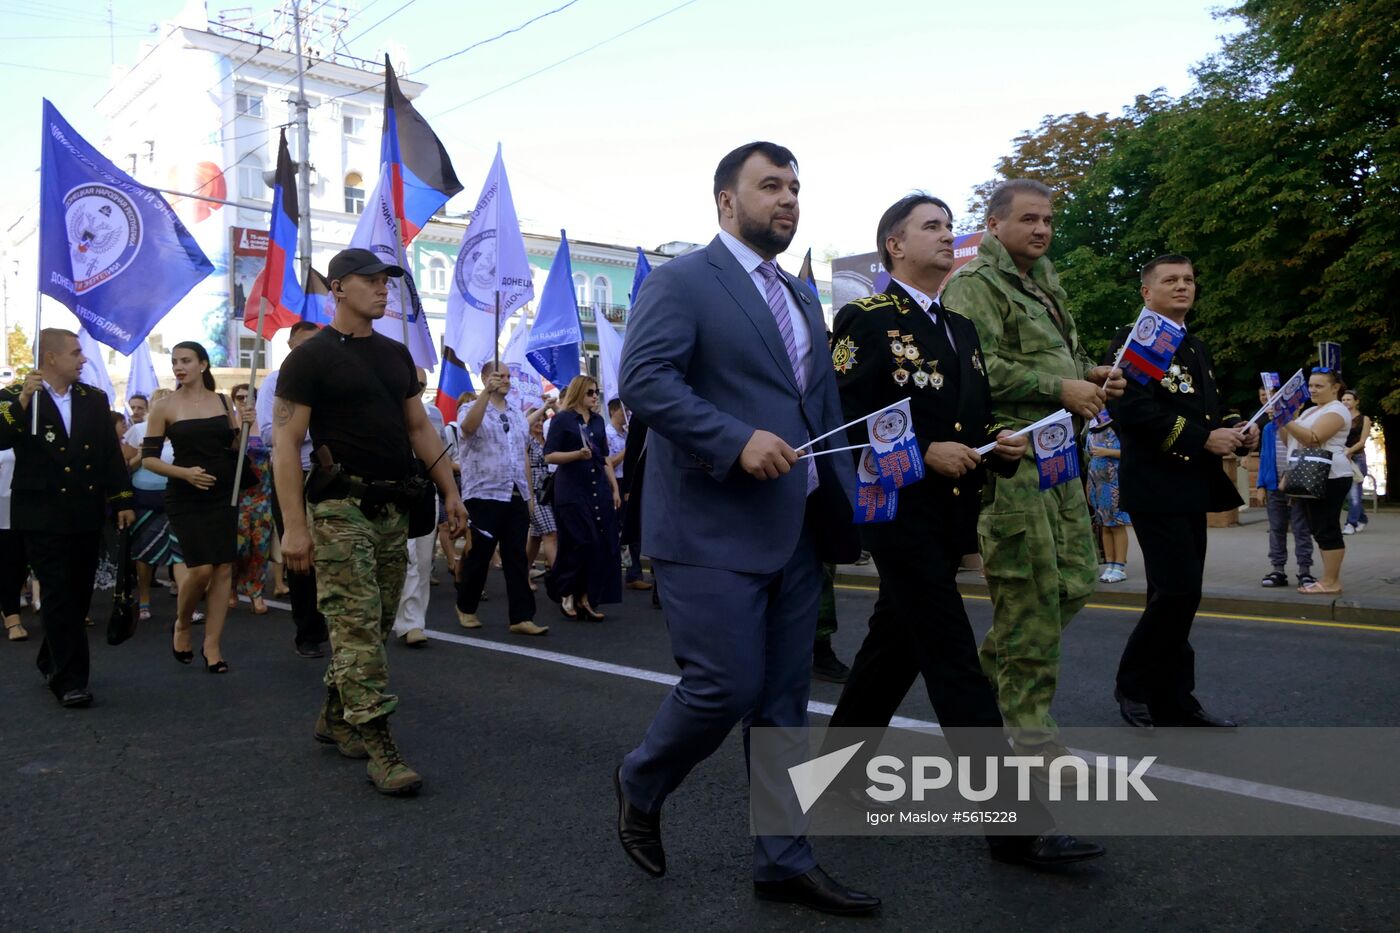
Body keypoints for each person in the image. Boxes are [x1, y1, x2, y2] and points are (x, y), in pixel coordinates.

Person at [617, 142, 877, 915]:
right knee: (723, 684)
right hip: (707, 524)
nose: (788, 199)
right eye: (771, 186)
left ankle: (783, 859)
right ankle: (641, 778)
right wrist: (734, 438)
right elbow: (644, 381)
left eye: (795, 187)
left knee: (784, 702)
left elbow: (819, 410)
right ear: (726, 201)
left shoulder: (801, 300)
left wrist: (851, 498)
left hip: (793, 527)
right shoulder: (683, 282)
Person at [827, 193, 1102, 866]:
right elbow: (850, 416)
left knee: (894, 648)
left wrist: (995, 440)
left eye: (951, 226)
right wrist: (922, 452)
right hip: (898, 509)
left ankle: (834, 774)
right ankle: (1016, 826)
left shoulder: (959, 328)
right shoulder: (864, 319)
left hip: (952, 511)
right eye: (932, 227)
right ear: (895, 245)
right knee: (952, 658)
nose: (949, 236)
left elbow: (967, 418)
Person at [272, 247, 467, 797]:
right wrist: (294, 526)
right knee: (357, 627)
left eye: (387, 282)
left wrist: (451, 491)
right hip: (339, 508)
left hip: (392, 508)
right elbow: (286, 444)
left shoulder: (395, 355)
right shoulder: (309, 358)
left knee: (372, 628)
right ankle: (380, 746)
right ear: (337, 288)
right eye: (371, 281)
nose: (383, 290)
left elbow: (419, 429)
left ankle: (335, 716)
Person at [941, 179, 1126, 757]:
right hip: (1012, 459)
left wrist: (1089, 374)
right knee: (1030, 596)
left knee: (1075, 580)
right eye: (1028, 219)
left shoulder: (1044, 282)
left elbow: (1058, 358)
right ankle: (1028, 735)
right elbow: (973, 368)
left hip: (1058, 455)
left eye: (1047, 219)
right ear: (994, 225)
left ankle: (985, 684)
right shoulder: (975, 284)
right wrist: (1059, 386)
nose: (1041, 229)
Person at [1107, 254, 1254, 729]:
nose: (1182, 286)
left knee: (1176, 595)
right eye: (1170, 280)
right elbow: (1132, 411)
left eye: (1189, 279)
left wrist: (1235, 428)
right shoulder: (1139, 344)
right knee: (1177, 591)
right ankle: (1132, 686)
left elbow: (1207, 410)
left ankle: (1175, 698)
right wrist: (1202, 438)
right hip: (1156, 484)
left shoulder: (1194, 345)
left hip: (1193, 484)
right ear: (1147, 293)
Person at [0, 328, 134, 707]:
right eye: (75, 353)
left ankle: (50, 657)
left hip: (85, 510)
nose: (83, 358)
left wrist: (122, 498)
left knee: (77, 595)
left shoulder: (93, 399)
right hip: (41, 512)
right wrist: (24, 399)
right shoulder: (15, 397)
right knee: (57, 593)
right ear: (51, 357)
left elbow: (110, 453)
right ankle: (71, 680)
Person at [142, 341, 252, 673]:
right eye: (175, 361)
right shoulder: (164, 406)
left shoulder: (221, 402)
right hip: (185, 494)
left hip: (222, 493)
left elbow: (235, 446)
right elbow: (148, 459)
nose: (179, 366)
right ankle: (183, 623)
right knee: (201, 568)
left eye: (186, 360)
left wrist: (245, 423)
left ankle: (213, 646)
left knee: (222, 570)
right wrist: (184, 473)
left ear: (203, 365)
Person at [453, 361, 546, 636]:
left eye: (508, 376)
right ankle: (466, 606)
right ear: (486, 378)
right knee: (480, 553)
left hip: (514, 491)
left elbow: (522, 454)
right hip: (484, 492)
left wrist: (528, 495)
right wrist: (485, 395)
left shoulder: (517, 414)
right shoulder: (470, 408)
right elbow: (468, 429)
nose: (506, 380)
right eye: (500, 376)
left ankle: (521, 616)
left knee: (516, 555)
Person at [257, 320, 328, 657]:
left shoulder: (332, 380)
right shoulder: (276, 382)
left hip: (331, 476)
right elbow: (272, 433)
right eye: (304, 344)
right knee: (301, 557)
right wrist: (311, 426)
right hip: (294, 475)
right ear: (290, 346)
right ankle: (308, 632)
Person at [543, 374, 621, 622]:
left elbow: (604, 457)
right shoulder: (563, 420)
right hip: (571, 490)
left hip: (597, 488)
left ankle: (585, 596)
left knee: (599, 545)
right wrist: (576, 454)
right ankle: (565, 589)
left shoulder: (598, 422)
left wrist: (614, 488)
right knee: (580, 541)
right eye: (590, 392)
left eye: (596, 391)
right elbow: (549, 456)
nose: (595, 396)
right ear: (579, 393)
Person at [1280, 370, 1352, 595]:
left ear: (1335, 388)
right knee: (1319, 528)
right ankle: (1327, 579)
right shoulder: (1312, 409)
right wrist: (1285, 422)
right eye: (1311, 385)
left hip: (1330, 475)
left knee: (1327, 528)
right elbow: (1291, 439)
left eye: (1319, 386)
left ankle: (1331, 582)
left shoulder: (1337, 410)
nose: (1312, 390)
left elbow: (1313, 439)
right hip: (1312, 474)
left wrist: (1286, 419)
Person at [123, 388, 189, 621]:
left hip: (176, 497)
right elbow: (125, 467)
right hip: (145, 498)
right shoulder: (138, 430)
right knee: (145, 552)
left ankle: (185, 606)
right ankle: (143, 600)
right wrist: (141, 455)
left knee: (182, 553)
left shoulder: (182, 430)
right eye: (159, 402)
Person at [391, 367, 446, 647]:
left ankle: (414, 619)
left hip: (425, 489)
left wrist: (451, 493)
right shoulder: (385, 409)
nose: (418, 389)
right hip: (393, 489)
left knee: (423, 560)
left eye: (422, 385)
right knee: (406, 558)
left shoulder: (434, 414)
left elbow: (440, 452)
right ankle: (403, 620)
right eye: (413, 383)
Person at [1252, 385, 1315, 588]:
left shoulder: (1303, 428)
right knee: (1276, 528)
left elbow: (1302, 456)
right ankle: (1277, 569)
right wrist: (1260, 485)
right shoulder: (1269, 429)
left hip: (1296, 486)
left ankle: (1305, 571)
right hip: (1273, 486)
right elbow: (1264, 457)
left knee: (1301, 529)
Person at [230, 383, 272, 615]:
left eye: (249, 397)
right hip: (237, 497)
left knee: (260, 545)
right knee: (238, 546)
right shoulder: (230, 425)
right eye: (239, 397)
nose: (244, 401)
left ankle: (256, 592)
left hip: (262, 495)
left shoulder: (265, 423)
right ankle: (232, 587)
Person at [605, 399, 651, 592]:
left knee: (634, 531)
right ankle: (619, 572)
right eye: (624, 411)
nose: (627, 414)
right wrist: (624, 490)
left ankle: (633, 572)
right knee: (618, 531)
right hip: (616, 483)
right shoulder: (608, 434)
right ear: (614, 411)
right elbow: (609, 462)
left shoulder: (625, 433)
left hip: (629, 482)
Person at [1087, 413, 1131, 583]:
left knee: (1116, 525)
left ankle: (1120, 566)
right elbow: (1088, 457)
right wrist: (1089, 486)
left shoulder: (1117, 424)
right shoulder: (1090, 428)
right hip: (1097, 484)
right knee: (1104, 526)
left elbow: (1130, 451)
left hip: (1114, 483)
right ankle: (1110, 564)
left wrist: (1107, 451)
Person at [524, 406, 558, 585]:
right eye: (536, 419)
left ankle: (522, 575)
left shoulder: (548, 438)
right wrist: (528, 495)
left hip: (550, 492)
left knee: (536, 537)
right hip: (535, 493)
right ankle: (563, 582)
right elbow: (524, 468)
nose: (539, 422)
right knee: (550, 533)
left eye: (541, 419)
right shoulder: (526, 441)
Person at [1, 446, 29, 641]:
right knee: (9, 561)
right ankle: (12, 616)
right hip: (3, 506)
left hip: (31, 504)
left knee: (24, 561)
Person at [1340, 389, 1372, 534]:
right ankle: (1362, 518)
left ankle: (1350, 524)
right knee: (1349, 493)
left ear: (1356, 401)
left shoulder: (1364, 419)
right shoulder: (1339, 417)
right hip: (1341, 457)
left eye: (1349, 399)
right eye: (1343, 400)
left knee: (1354, 491)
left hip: (1356, 458)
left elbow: (1362, 441)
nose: (1345, 402)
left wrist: (1349, 451)